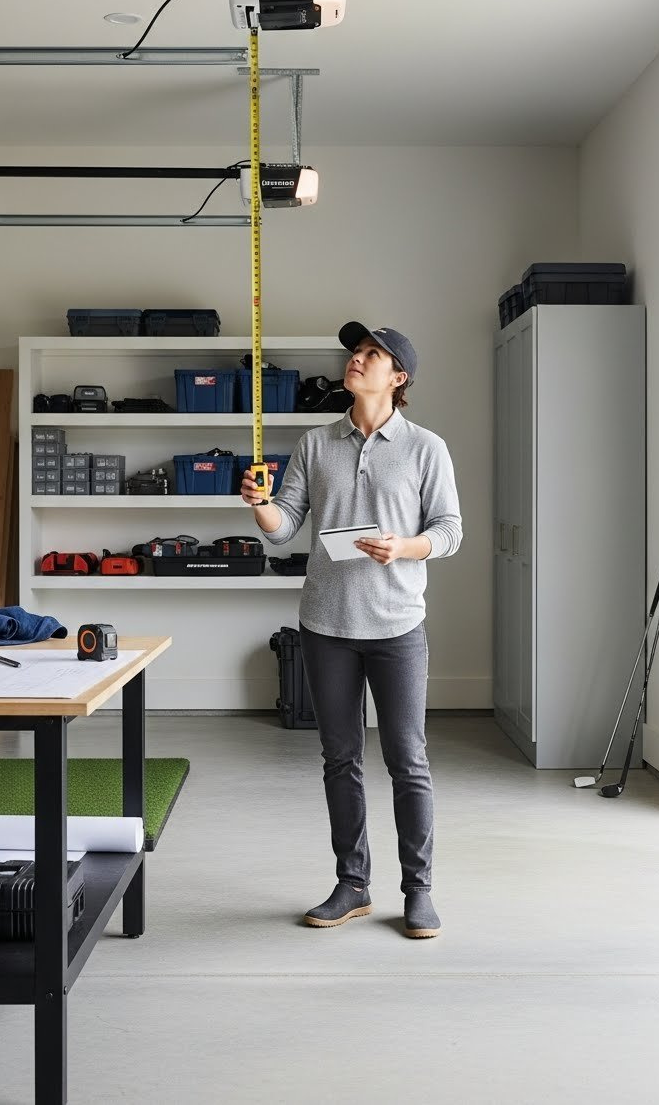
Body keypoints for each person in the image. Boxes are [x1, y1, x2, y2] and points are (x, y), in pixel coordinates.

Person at [240, 321, 462, 938]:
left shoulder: (426, 448)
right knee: (340, 759)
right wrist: (259, 503)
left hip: (396, 627)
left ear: (399, 377)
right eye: (355, 352)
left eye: (372, 355)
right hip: (326, 625)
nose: (356, 361)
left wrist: (406, 546)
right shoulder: (315, 444)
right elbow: (283, 526)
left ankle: (418, 892)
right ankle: (352, 883)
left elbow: (449, 531)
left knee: (407, 761)